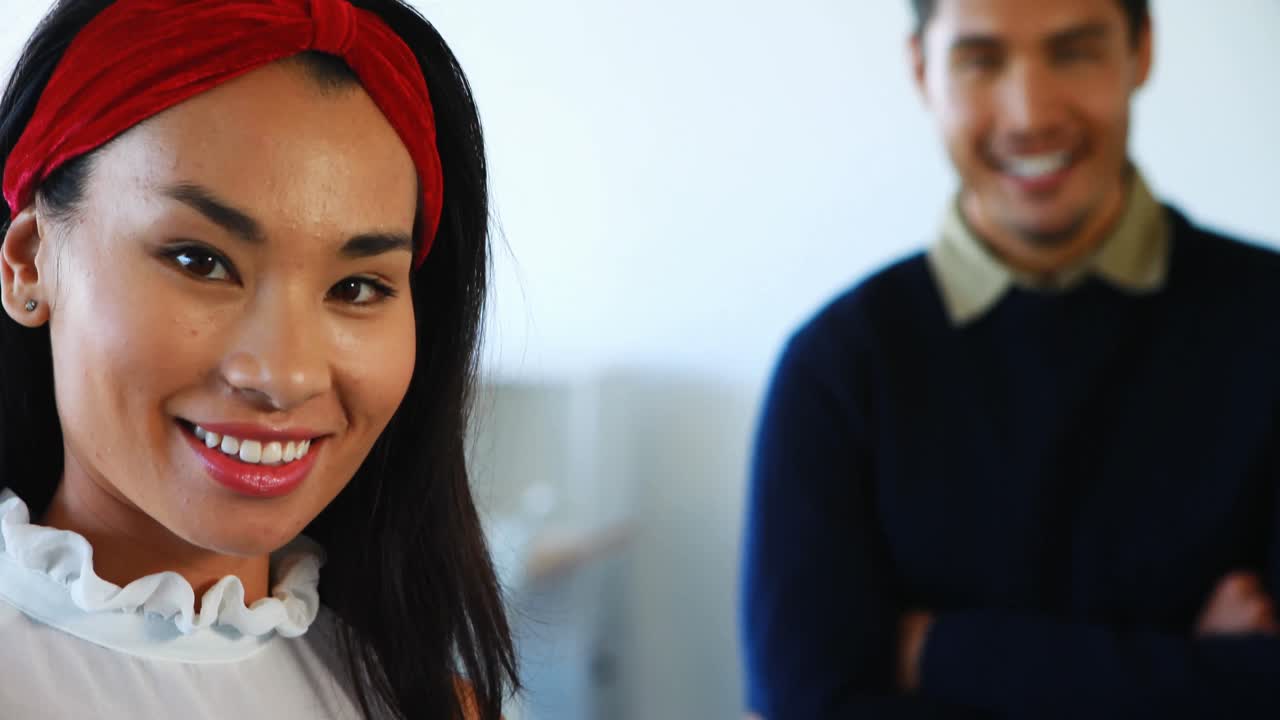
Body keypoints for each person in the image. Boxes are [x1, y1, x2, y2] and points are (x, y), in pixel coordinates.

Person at [741, 0, 1280, 718]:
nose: (1029, 114)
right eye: (980, 60)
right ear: (920, 70)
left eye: (1073, 51)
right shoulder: (838, 371)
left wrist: (940, 654)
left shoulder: (1270, 321)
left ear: (1141, 50)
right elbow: (808, 705)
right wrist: (1199, 675)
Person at [0, 1, 517, 718]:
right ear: (30, 263)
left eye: (357, 287)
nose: (286, 376)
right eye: (200, 260)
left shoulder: (435, 703)